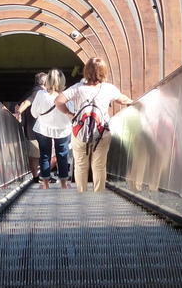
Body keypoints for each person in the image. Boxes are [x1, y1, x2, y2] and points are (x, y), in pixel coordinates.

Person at [56, 57, 133, 193]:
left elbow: (58, 101)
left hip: (79, 131)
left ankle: (81, 195)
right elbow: (124, 100)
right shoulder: (109, 89)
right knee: (99, 166)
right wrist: (133, 102)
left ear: (86, 71)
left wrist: (70, 114)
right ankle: (99, 196)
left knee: (80, 165)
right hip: (102, 132)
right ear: (104, 72)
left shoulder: (78, 88)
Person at [30, 69, 72, 189]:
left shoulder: (40, 95)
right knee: (62, 155)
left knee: (45, 155)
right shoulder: (67, 95)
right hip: (62, 129)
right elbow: (71, 114)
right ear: (62, 81)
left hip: (43, 128)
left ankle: (45, 184)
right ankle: (64, 184)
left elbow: (34, 113)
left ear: (47, 81)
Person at [14, 72, 47, 181]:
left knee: (34, 156)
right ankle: (42, 176)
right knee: (43, 155)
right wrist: (19, 113)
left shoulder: (31, 91)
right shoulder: (39, 92)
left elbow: (17, 104)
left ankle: (37, 177)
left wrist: (19, 115)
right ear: (45, 82)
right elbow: (26, 103)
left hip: (30, 129)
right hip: (39, 129)